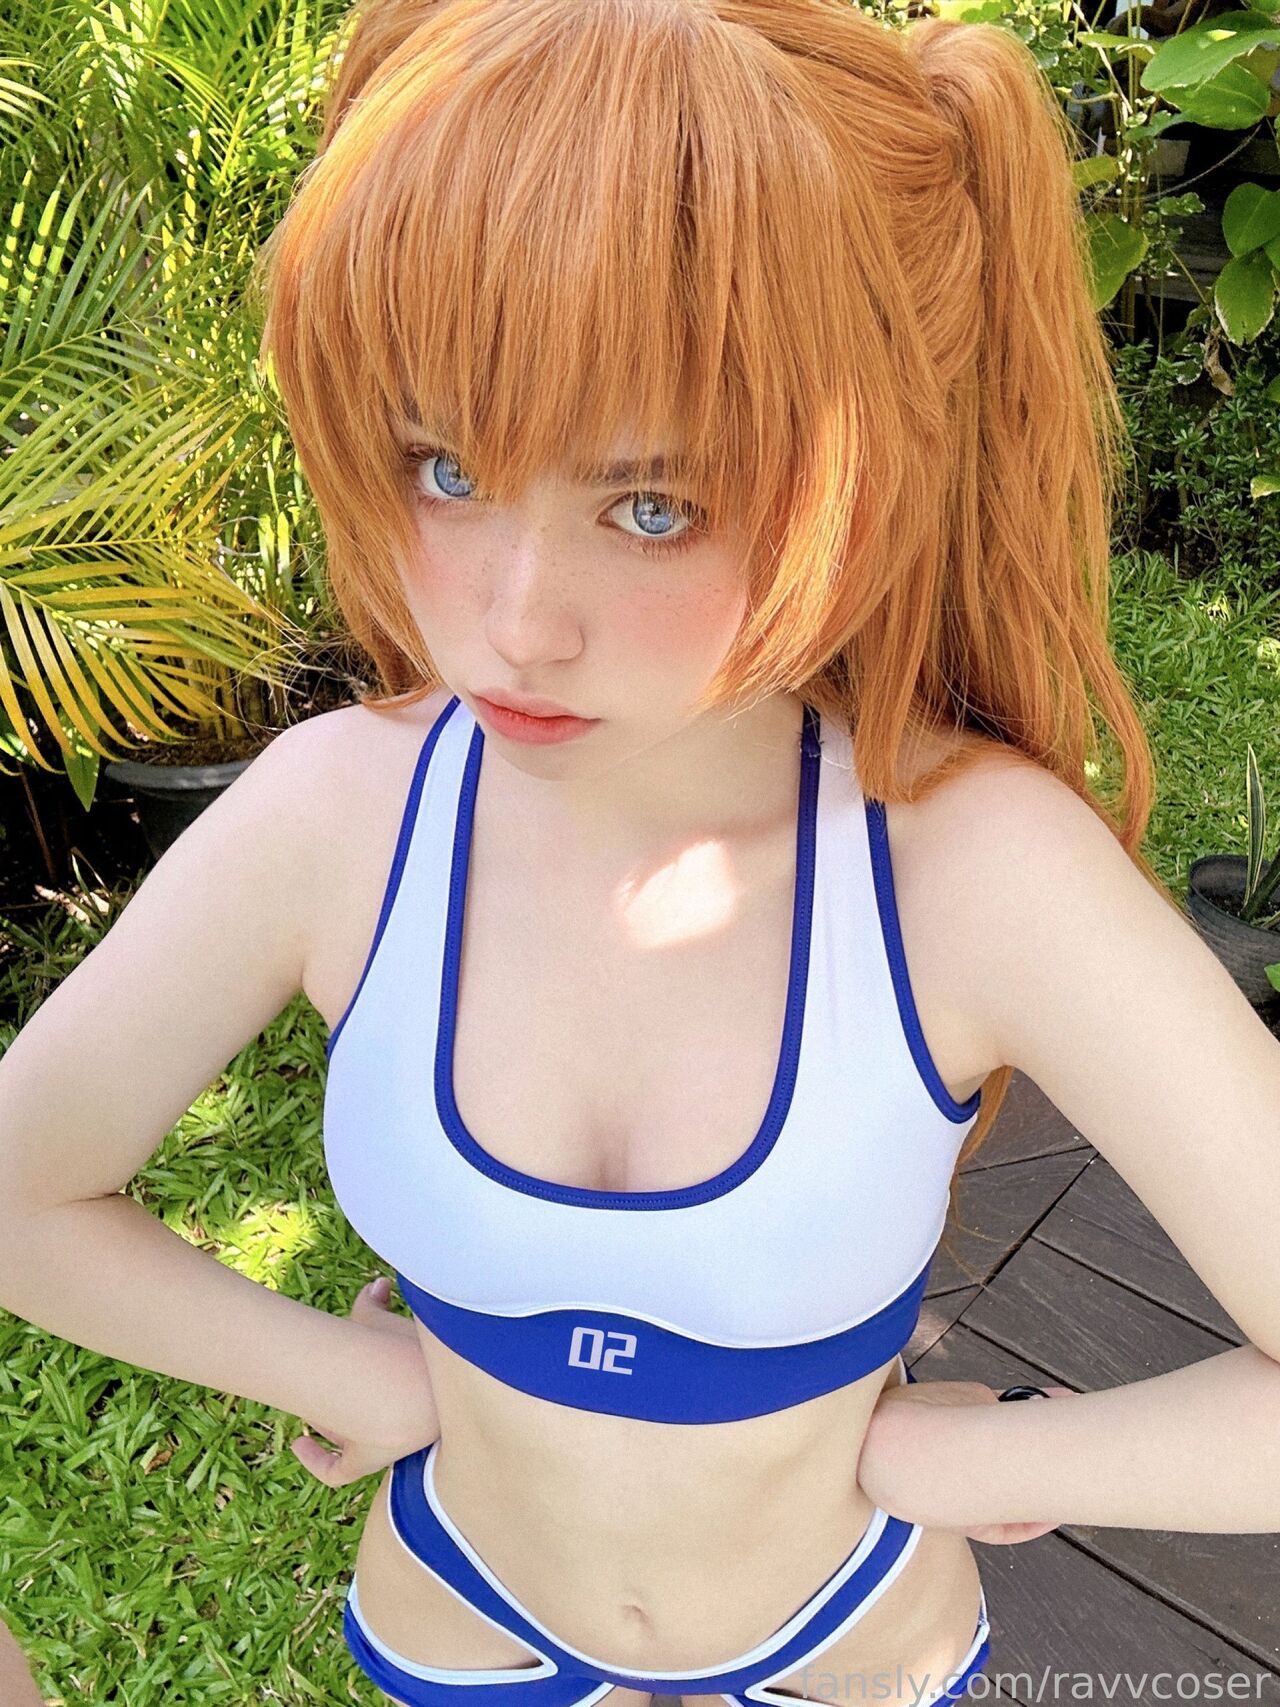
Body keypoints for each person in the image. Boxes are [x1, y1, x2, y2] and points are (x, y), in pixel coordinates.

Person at [2, 1, 1278, 1705]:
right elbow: (23, 1190)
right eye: (445, 467)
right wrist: (350, 1377)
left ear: (871, 474)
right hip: (459, 1606)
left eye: (652, 506)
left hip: (840, 1638)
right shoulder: (338, 817)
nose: (515, 624)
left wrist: (978, 1462)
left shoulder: (969, 872)